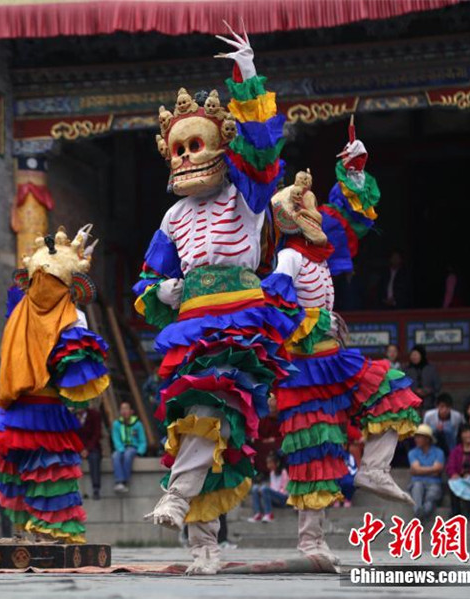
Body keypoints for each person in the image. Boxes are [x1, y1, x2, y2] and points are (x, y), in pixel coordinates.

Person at [135, 26, 296, 574]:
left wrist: (249, 74)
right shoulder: (172, 216)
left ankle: (178, 498)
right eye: (177, 150)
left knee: (212, 408)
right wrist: (163, 289)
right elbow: (146, 279)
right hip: (192, 322)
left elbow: (266, 148)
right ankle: (203, 546)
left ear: (220, 147)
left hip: (241, 317)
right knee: (195, 422)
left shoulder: (245, 193)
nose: (185, 157)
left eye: (195, 145)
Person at [263, 129, 421, 564]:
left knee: (391, 390)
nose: (319, 211)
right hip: (306, 365)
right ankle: (311, 541)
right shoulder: (291, 257)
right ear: (295, 218)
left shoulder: (319, 258)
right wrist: (314, 319)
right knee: (316, 446)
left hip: (333, 357)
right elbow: (273, 302)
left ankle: (373, 468)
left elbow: (347, 215)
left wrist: (352, 170)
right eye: (310, 206)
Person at [0, 226, 110, 543]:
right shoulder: (23, 311)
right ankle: (24, 532)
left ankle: (49, 531)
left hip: (47, 407)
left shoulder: (71, 317)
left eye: (50, 280)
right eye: (39, 279)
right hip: (20, 406)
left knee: (49, 472)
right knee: (17, 470)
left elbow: (76, 373)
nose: (43, 286)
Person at [407, 424, 445, 521]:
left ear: (427, 439)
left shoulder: (439, 452)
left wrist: (419, 471)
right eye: (416, 437)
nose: (416, 439)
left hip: (434, 483)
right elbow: (417, 469)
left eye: (420, 437)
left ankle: (419, 515)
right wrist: (432, 470)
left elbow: (438, 469)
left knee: (431, 498)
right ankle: (419, 513)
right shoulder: (412, 452)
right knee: (417, 487)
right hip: (417, 482)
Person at [111, 401, 148, 493]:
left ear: (131, 411)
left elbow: (142, 441)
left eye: (126, 409)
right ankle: (119, 481)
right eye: (122, 409)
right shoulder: (116, 424)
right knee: (115, 456)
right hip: (121, 448)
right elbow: (116, 439)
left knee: (128, 454)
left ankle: (124, 481)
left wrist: (140, 452)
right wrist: (121, 449)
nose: (124, 411)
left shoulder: (137, 424)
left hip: (133, 448)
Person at [247, 452, 289, 523]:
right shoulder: (272, 473)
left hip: (283, 498)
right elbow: (272, 487)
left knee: (264, 488)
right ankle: (258, 514)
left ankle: (269, 514)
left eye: (270, 463)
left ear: (277, 463)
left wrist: (269, 491)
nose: (268, 465)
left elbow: (284, 490)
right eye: (267, 463)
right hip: (274, 496)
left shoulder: (283, 472)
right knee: (255, 488)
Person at [76, 404, 103, 500]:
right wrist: (79, 449)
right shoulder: (72, 416)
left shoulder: (94, 415)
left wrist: (87, 449)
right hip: (77, 448)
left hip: (92, 447)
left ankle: (96, 488)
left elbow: (97, 434)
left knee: (94, 458)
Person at [404, 345, 442, 411]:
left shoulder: (431, 369)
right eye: (412, 355)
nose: (414, 357)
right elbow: (403, 387)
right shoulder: (407, 370)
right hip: (412, 405)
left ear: (422, 355)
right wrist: (415, 390)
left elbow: (437, 386)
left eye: (416, 355)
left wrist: (428, 391)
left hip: (429, 404)